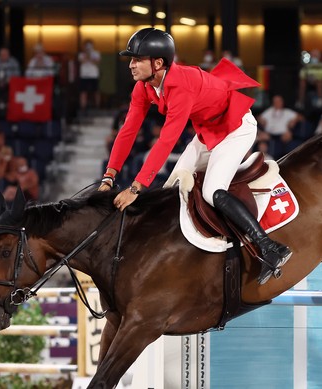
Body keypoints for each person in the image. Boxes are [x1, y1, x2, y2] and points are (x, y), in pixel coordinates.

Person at [99, 27, 292, 284]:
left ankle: (269, 248)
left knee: (213, 191)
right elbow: (127, 132)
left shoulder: (181, 85)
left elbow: (167, 141)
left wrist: (136, 188)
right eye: (131, 60)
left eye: (136, 60)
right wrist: (109, 177)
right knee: (173, 188)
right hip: (207, 132)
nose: (131, 65)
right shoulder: (143, 87)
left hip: (235, 128)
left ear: (158, 63)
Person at [257, 94, 303, 160]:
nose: (277, 103)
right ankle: (263, 160)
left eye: (278, 101)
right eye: (275, 101)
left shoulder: (287, 112)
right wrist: (262, 120)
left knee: (288, 136)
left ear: (282, 102)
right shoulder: (269, 111)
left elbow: (301, 117)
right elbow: (259, 117)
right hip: (269, 134)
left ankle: (284, 160)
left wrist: (294, 120)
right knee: (260, 138)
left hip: (283, 135)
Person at [78, 39, 101, 111]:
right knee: (83, 92)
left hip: (94, 75)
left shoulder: (96, 53)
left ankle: (98, 106)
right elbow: (82, 61)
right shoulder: (81, 54)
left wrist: (90, 55)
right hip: (84, 75)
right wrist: (87, 54)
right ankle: (83, 107)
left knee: (96, 91)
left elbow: (97, 61)